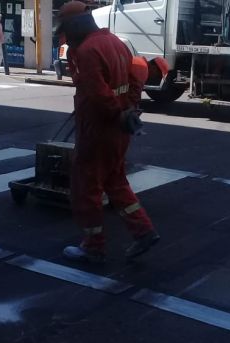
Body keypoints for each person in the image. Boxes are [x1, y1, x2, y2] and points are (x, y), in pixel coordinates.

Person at [56, 1, 159, 263]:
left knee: (86, 187)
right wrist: (128, 111)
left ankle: (93, 246)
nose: (66, 35)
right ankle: (143, 230)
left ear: (75, 25)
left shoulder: (87, 50)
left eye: (67, 29)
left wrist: (115, 112)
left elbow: (96, 90)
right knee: (115, 180)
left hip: (98, 128)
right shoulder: (115, 42)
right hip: (118, 128)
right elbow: (132, 79)